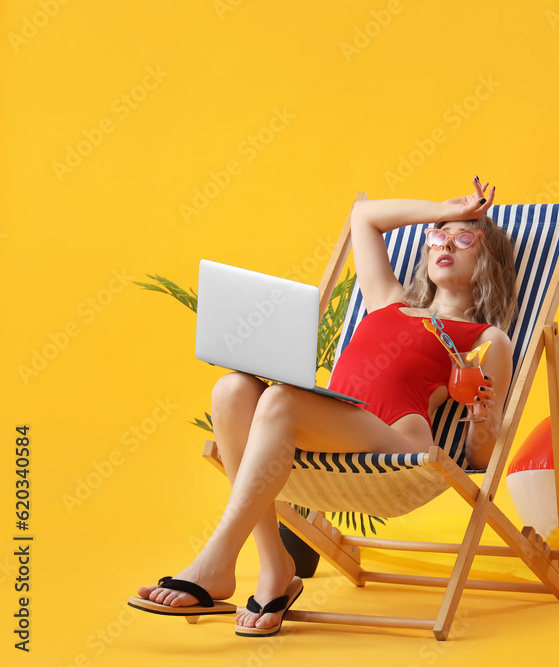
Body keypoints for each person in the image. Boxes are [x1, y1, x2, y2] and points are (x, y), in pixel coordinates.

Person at [129, 177, 518, 636]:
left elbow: (480, 459)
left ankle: (217, 562)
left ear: (489, 259)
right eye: (438, 235)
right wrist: (444, 208)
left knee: (278, 399)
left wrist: (480, 421)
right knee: (230, 391)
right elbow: (364, 217)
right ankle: (275, 569)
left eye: (465, 236)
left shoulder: (487, 339)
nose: (445, 242)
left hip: (396, 444)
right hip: (333, 429)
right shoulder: (387, 301)